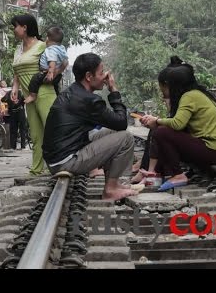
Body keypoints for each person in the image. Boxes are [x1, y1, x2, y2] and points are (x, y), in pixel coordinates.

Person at [42, 53, 137, 201]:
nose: (105, 76)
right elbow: (121, 122)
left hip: (57, 158)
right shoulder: (88, 100)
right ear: (88, 76)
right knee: (126, 139)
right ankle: (111, 189)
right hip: (65, 162)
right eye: (101, 73)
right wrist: (113, 90)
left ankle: (114, 183)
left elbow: (114, 125)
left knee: (113, 131)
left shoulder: (73, 92)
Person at [136, 56, 216, 191]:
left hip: (214, 150)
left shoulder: (189, 96)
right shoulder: (197, 93)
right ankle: (156, 173)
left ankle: (177, 175)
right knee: (162, 131)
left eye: (162, 88)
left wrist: (156, 120)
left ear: (171, 86)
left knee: (162, 132)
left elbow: (177, 124)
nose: (161, 91)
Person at [10, 14, 57, 175]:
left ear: (25, 27)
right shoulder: (18, 49)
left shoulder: (43, 46)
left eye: (15, 26)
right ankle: (37, 170)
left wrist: (52, 73)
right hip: (28, 96)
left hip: (44, 93)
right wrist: (15, 87)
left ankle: (59, 166)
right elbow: (17, 70)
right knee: (36, 135)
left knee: (52, 130)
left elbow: (61, 61)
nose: (14, 30)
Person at [24, 26, 68, 104]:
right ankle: (58, 98)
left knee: (35, 79)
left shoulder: (51, 50)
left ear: (47, 39)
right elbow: (65, 61)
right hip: (58, 75)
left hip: (47, 73)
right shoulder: (61, 48)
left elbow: (52, 61)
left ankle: (32, 96)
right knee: (55, 88)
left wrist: (50, 73)